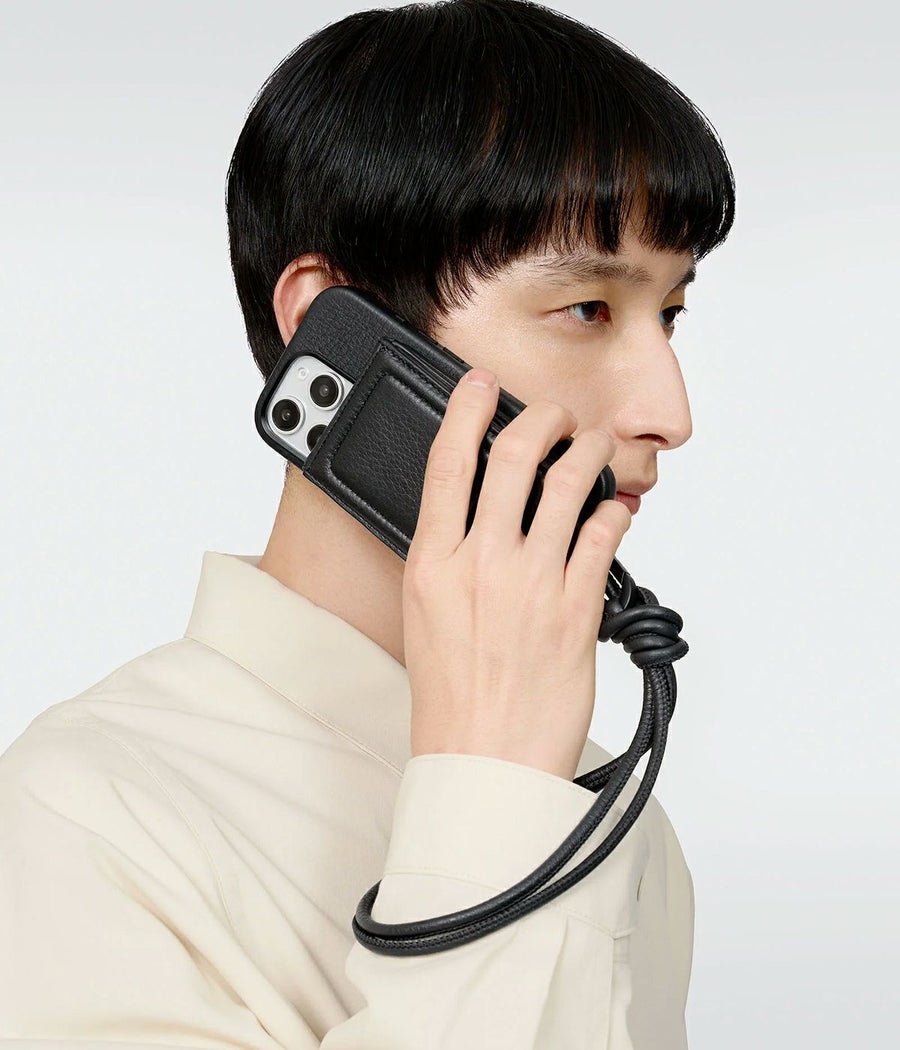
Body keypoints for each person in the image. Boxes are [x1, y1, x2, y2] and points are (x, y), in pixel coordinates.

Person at [0, 0, 735, 1047]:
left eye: (670, 314)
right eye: (587, 309)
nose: (669, 412)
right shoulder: (84, 818)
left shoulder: (621, 826)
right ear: (329, 330)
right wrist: (494, 792)